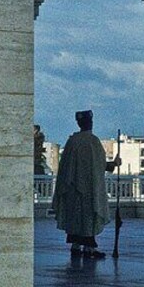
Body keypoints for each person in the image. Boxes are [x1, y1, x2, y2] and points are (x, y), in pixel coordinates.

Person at [52, 110, 120, 259]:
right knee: (88, 219)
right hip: (89, 190)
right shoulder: (93, 141)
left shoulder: (72, 141)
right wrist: (114, 163)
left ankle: (76, 246)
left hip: (72, 190)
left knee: (76, 218)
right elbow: (101, 165)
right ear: (91, 122)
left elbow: (65, 167)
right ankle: (89, 247)